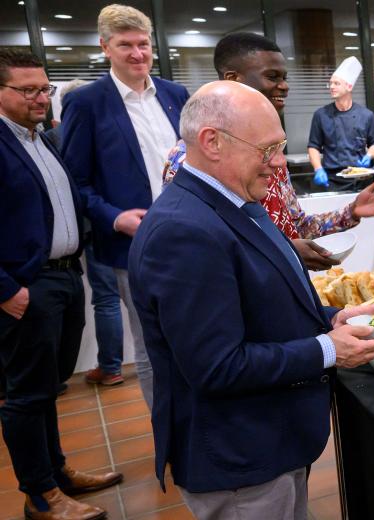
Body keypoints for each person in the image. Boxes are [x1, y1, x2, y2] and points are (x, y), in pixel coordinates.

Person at [128, 81, 374, 519]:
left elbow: (260, 305)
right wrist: (329, 348)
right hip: (238, 459)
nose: (278, 163)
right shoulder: (184, 231)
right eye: (267, 149)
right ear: (212, 142)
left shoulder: (235, 202)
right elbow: (216, 366)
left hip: (271, 439)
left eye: (281, 147)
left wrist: (332, 316)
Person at [0, 48, 123, 520]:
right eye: (27, 90)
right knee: (26, 396)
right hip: (25, 287)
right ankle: (40, 495)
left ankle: (57, 471)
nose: (40, 98)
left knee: (50, 387)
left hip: (66, 279)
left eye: (43, 88)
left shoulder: (44, 138)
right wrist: (7, 290)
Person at [163, 32, 374, 270]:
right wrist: (285, 251)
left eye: (285, 77)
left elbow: (295, 226)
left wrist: (351, 211)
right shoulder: (192, 157)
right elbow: (198, 252)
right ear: (232, 78)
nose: (284, 86)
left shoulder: (272, 155)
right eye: (272, 77)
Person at [60, 3, 190, 409]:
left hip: (190, 235)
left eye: (143, 44)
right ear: (105, 47)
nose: (137, 54)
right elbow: (74, 182)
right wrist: (114, 217)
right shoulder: (86, 103)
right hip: (133, 245)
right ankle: (167, 438)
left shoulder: (174, 94)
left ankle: (199, 426)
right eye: (125, 45)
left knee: (197, 333)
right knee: (152, 347)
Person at [49, 79, 128, 387]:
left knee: (106, 300)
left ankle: (110, 366)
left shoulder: (52, 138)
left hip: (95, 231)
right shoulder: (109, 134)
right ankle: (111, 366)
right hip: (108, 226)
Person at [308, 56, 374, 191]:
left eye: (336, 83)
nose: (332, 87)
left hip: (361, 177)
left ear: (349, 86)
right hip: (332, 179)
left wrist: (369, 155)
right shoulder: (321, 115)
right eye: (331, 83)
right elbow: (313, 146)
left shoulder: (366, 115)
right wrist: (318, 169)